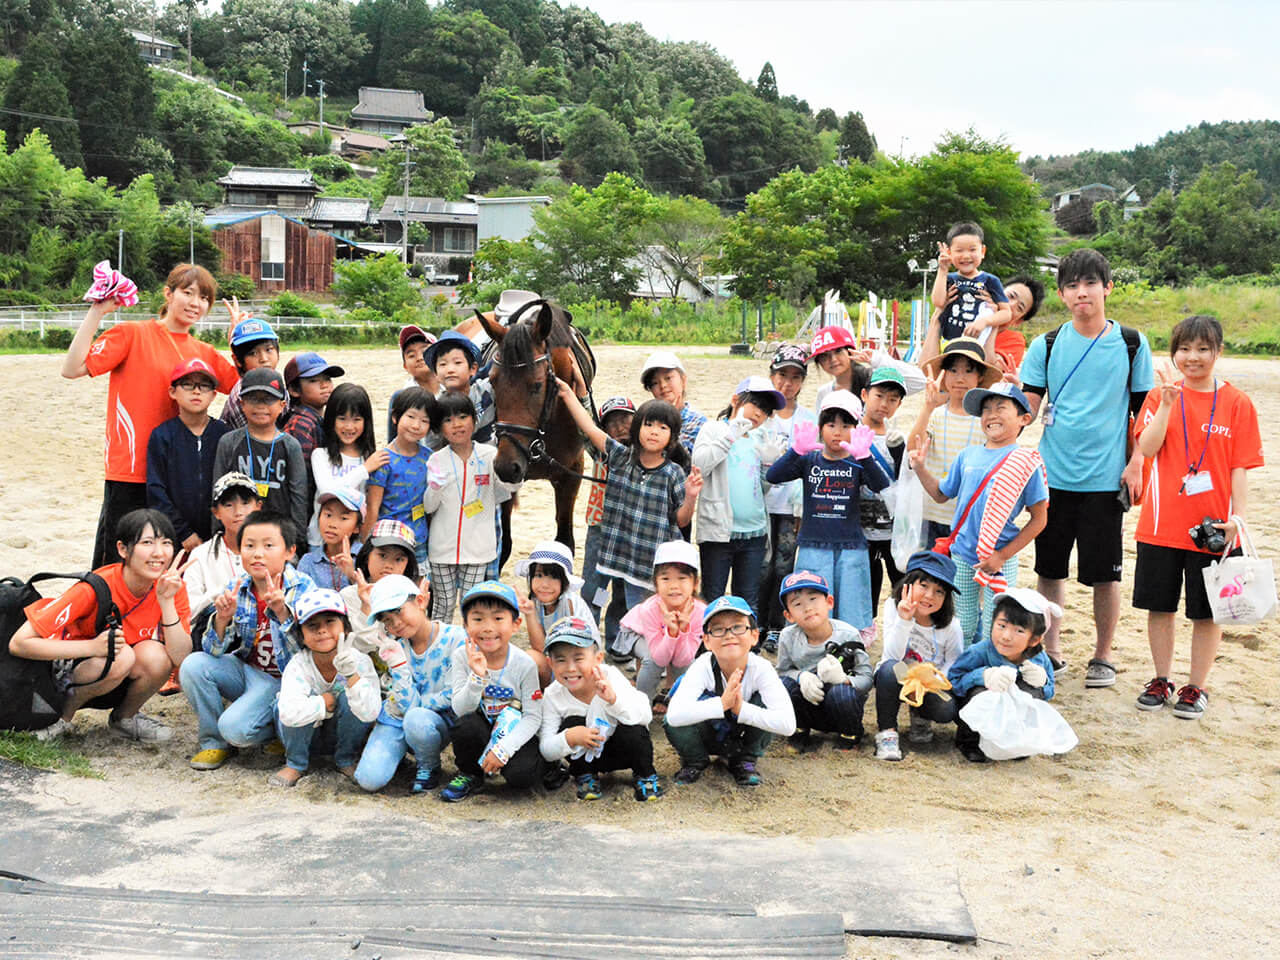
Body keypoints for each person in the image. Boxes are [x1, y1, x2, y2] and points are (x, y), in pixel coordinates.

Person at [1018, 249, 1154, 683]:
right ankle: (1051, 648)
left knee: (1104, 575)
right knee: (1049, 570)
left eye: (1090, 283)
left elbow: (1143, 414)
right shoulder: (1047, 344)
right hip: (1052, 477)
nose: (1082, 293)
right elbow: (1029, 408)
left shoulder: (1132, 343)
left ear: (1107, 287)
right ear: (1061, 294)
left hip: (1105, 479)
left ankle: (1103, 654)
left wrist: (1136, 464)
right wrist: (1004, 401)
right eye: (1073, 285)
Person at [62, 263, 239, 568]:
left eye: (204, 297)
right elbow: (72, 369)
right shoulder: (132, 334)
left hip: (179, 475)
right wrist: (97, 312)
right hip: (131, 470)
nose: (196, 303)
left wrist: (237, 342)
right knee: (116, 564)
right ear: (168, 294)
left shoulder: (204, 351)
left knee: (169, 563)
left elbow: (244, 391)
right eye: (188, 292)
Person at [1132, 315, 1263, 719]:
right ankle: (1161, 678)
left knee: (1208, 611)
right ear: (1174, 353)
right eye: (1184, 349)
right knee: (1160, 606)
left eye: (1203, 349)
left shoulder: (1237, 403)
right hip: (1160, 523)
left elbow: (1241, 466)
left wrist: (1238, 519)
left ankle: (1196, 686)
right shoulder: (1161, 396)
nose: (1193, 357)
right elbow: (1148, 447)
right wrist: (1168, 404)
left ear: (1218, 352)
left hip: (1214, 529)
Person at [10, 509, 193, 742]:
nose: (159, 553)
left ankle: (124, 718)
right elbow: (19, 643)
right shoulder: (95, 588)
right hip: (66, 675)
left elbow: (180, 657)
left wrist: (166, 602)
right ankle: (61, 719)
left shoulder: (171, 587)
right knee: (122, 655)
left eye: (166, 543)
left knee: (157, 656)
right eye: (147, 542)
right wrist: (92, 648)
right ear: (122, 549)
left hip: (115, 674)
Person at [910, 382, 1049, 645]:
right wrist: (919, 467)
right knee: (962, 620)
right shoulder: (968, 455)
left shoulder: (1025, 461)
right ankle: (963, 670)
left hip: (1001, 557)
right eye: (986, 409)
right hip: (963, 553)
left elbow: (1039, 518)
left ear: (1024, 418)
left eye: (1000, 407)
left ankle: (989, 673)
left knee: (996, 622)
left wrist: (1001, 555)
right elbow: (941, 494)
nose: (991, 415)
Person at [179, 511, 316, 771]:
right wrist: (222, 619)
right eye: (249, 546)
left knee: (236, 728)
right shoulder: (238, 586)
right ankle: (214, 743)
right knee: (194, 665)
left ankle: (276, 729)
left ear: (289, 551)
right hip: (250, 672)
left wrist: (283, 613)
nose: (257, 554)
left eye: (268, 545)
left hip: (288, 681)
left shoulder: (304, 588)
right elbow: (213, 650)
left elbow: (313, 649)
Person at [557, 384, 702, 609]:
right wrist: (568, 394)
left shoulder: (673, 472)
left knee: (635, 609)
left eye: (663, 427)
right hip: (614, 549)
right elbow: (589, 428)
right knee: (594, 595)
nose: (654, 431)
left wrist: (692, 496)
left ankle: (620, 642)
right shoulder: (620, 456)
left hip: (646, 561)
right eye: (649, 425)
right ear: (639, 429)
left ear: (672, 436)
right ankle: (593, 638)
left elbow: (681, 520)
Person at [765, 390, 891, 630]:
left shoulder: (857, 460)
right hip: (814, 544)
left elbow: (880, 485)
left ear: (856, 428)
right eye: (830, 424)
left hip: (850, 545)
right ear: (820, 427)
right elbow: (774, 475)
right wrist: (796, 451)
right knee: (814, 605)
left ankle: (851, 649)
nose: (837, 431)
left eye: (846, 425)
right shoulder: (809, 460)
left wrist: (865, 457)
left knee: (851, 606)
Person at [663, 595, 796, 787]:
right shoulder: (702, 666)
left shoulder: (762, 668)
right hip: (710, 732)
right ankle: (695, 760)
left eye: (738, 627)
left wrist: (741, 709)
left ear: (754, 636)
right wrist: (722, 704)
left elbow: (788, 724)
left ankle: (745, 760)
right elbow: (674, 716)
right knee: (673, 720)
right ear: (706, 641)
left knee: (764, 702)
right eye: (718, 629)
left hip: (744, 733)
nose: (729, 634)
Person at [354, 574, 466, 793]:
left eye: (398, 611)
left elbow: (454, 693)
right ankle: (401, 756)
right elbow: (403, 703)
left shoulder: (456, 638)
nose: (395, 623)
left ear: (421, 601)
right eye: (386, 619)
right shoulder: (394, 647)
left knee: (416, 720)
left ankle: (429, 766)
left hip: (435, 721)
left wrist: (418, 705)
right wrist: (397, 665)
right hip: (399, 715)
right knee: (368, 779)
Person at [692, 375, 787, 620]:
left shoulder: (758, 439)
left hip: (754, 533)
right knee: (713, 596)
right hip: (719, 533)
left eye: (765, 410)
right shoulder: (713, 429)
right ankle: (710, 651)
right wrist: (729, 435)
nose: (760, 413)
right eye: (756, 404)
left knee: (748, 598)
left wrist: (768, 466)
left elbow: (760, 489)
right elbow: (700, 466)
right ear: (736, 400)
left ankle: (748, 651)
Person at [441, 581, 544, 802]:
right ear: (466, 626)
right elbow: (460, 709)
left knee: (521, 776)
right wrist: (477, 678)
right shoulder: (462, 656)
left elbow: (533, 717)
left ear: (516, 624)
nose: (488, 627)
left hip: (514, 730)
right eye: (478, 619)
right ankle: (470, 773)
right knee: (465, 726)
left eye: (498, 619)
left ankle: (549, 768)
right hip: (481, 726)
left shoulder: (524, 664)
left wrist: (503, 749)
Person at [539, 616, 661, 802]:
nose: (570, 668)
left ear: (598, 659)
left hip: (621, 750)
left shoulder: (611, 677)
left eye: (579, 658)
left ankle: (645, 774)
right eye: (561, 660)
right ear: (550, 663)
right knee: (572, 722)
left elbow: (644, 716)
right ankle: (585, 775)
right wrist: (570, 737)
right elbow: (546, 748)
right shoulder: (553, 694)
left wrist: (614, 700)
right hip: (586, 755)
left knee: (635, 728)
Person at [423, 393, 518, 621]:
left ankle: (471, 651)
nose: (456, 425)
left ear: (474, 420)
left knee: (471, 606)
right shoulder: (436, 459)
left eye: (463, 417)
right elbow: (428, 506)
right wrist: (434, 486)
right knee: (442, 606)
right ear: (439, 428)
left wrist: (513, 475)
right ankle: (440, 651)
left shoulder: (490, 455)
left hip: (478, 549)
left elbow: (505, 491)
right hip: (441, 550)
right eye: (448, 420)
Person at [272, 589, 379, 787]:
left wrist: (351, 676)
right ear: (301, 636)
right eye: (312, 626)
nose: (322, 630)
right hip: (303, 736)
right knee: (282, 704)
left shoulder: (360, 661)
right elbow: (287, 714)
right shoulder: (298, 664)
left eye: (330, 622)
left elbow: (371, 712)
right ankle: (296, 763)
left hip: (338, 734)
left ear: (345, 628)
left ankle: (345, 758)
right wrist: (322, 702)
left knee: (353, 694)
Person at [872, 551, 964, 761]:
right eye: (923, 585)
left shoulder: (951, 626)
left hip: (930, 681)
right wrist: (905, 619)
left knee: (946, 709)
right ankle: (888, 733)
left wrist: (935, 680)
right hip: (900, 673)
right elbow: (891, 655)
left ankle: (921, 717)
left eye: (939, 591)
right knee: (888, 670)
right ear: (908, 584)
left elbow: (954, 662)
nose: (930, 596)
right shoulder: (893, 608)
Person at [948, 588, 1058, 763]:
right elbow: (953, 680)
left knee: (1032, 693)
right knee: (980, 693)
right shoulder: (979, 652)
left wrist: (1043, 682)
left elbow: (1050, 690)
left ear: (1034, 639)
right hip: (981, 710)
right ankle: (969, 742)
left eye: (1019, 631)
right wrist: (982, 676)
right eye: (1002, 626)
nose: (1006, 636)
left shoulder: (1039, 658)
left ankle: (1018, 741)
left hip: (1012, 716)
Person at [910, 339, 1003, 543]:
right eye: (953, 370)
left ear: (979, 377)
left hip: (970, 514)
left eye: (968, 371)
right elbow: (912, 448)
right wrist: (927, 407)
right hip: (932, 513)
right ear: (943, 376)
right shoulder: (934, 415)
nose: (960, 378)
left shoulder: (984, 420)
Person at [759, 345, 818, 651]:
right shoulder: (760, 414)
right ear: (772, 375)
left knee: (783, 567)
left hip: (790, 507)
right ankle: (753, 622)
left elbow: (811, 465)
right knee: (760, 566)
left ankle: (774, 625)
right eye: (782, 375)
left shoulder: (809, 419)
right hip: (760, 505)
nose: (788, 383)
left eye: (796, 377)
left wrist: (801, 508)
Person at [211, 367, 309, 551]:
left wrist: (296, 541)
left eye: (269, 399)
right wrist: (218, 535)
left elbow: (299, 497)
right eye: (253, 399)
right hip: (237, 537)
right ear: (241, 403)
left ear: (282, 405)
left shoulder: (290, 446)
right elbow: (217, 491)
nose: (261, 406)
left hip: (277, 538)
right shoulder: (229, 442)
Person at [775, 570, 872, 750]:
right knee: (784, 685)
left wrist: (843, 679)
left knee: (842, 693)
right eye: (797, 604)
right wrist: (801, 676)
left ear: (829, 602)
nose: (808, 608)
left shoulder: (848, 634)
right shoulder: (787, 636)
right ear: (788, 615)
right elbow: (782, 672)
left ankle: (849, 735)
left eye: (813, 599)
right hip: (807, 702)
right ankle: (799, 730)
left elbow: (867, 678)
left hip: (841, 705)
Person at [146, 358, 231, 555]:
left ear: (214, 395)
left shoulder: (224, 434)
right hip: (174, 538)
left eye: (204, 386)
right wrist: (183, 532)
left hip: (218, 535)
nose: (196, 391)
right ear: (172, 392)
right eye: (187, 385)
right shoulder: (163, 435)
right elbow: (156, 490)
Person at [614, 539, 706, 706]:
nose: (674, 586)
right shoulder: (650, 609)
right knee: (651, 661)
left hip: (667, 638)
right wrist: (672, 632)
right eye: (665, 578)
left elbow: (682, 660)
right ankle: (642, 709)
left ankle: (676, 705)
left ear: (695, 583)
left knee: (687, 664)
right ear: (655, 583)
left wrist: (682, 630)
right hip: (635, 632)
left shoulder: (700, 612)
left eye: (682, 578)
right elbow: (660, 659)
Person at [579, 397, 636, 656]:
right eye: (612, 422)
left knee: (623, 591)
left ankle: (616, 641)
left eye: (625, 418)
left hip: (630, 532)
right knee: (595, 587)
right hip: (601, 528)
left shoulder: (644, 452)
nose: (620, 426)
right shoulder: (602, 450)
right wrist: (579, 389)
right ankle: (588, 638)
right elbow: (584, 423)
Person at [362, 387, 436, 568]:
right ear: (395, 417)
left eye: (424, 420)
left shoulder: (430, 458)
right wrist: (365, 546)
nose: (416, 425)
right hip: (389, 542)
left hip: (419, 541)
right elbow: (373, 507)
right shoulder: (384, 460)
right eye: (410, 417)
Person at [859, 367, 909, 633]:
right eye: (879, 396)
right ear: (865, 395)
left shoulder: (898, 435)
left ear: (900, 403)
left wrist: (900, 451)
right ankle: (867, 628)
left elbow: (907, 478)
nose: (884, 404)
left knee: (901, 582)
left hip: (894, 529)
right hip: (861, 526)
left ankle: (901, 629)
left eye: (892, 399)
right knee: (867, 580)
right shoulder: (853, 431)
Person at [307, 383, 383, 549]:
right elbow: (328, 490)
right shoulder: (321, 455)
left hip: (354, 542)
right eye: (342, 419)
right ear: (331, 420)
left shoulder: (369, 459)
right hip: (319, 541)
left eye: (356, 419)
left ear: (366, 422)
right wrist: (364, 469)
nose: (349, 427)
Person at [514, 540, 593, 687]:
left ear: (565, 581)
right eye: (538, 575)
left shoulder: (570, 604)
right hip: (557, 662)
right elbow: (539, 648)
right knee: (530, 658)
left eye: (553, 577)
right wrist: (529, 613)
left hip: (579, 667)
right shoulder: (537, 601)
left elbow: (579, 652)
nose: (544, 584)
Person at [183, 472, 261, 618]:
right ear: (216, 512)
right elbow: (188, 611)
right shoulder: (200, 555)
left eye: (245, 503)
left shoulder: (272, 550)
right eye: (228, 505)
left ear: (258, 506)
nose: (238, 512)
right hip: (213, 634)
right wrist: (218, 596)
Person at [340, 520, 423, 655]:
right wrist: (366, 607)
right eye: (383, 555)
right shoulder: (348, 596)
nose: (389, 565)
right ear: (367, 556)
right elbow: (363, 646)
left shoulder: (412, 598)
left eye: (399, 559)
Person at [930, 221, 1011, 343]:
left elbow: (1006, 313)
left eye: (972, 250)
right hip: (948, 343)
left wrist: (984, 321)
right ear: (950, 253)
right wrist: (942, 270)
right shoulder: (948, 278)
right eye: (959, 250)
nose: (966, 256)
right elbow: (938, 302)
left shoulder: (990, 280)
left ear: (982, 251)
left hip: (977, 345)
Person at [424, 329, 494, 444]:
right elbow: (433, 448)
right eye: (443, 364)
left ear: (473, 369)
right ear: (435, 374)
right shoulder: (435, 408)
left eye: (457, 363)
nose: (450, 370)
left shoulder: (487, 391)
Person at [282, 351, 344, 479]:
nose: (324, 385)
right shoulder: (300, 426)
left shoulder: (318, 420)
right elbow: (301, 477)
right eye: (313, 380)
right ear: (294, 390)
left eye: (327, 379)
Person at [220, 317, 286, 430]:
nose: (264, 359)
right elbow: (258, 441)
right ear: (237, 360)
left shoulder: (275, 381)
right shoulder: (242, 397)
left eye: (269, 350)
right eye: (253, 353)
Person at [295, 489, 363, 592]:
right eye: (328, 515)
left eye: (343, 518)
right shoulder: (308, 562)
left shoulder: (365, 557)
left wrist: (352, 576)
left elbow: (374, 598)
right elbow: (298, 598)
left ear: (357, 527)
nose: (332, 524)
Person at [640, 351, 706, 453]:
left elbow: (685, 459)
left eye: (668, 378)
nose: (663, 385)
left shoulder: (697, 422)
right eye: (655, 383)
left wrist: (671, 419)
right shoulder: (645, 421)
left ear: (683, 380)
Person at [385, 324, 439, 442]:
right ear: (405, 366)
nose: (419, 358)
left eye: (425, 351)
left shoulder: (452, 389)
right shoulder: (400, 398)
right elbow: (393, 441)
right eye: (411, 355)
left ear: (438, 355)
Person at [987, 275, 1046, 380]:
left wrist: (993, 323)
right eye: (1011, 296)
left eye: (1019, 307)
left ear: (1019, 321)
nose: (1010, 304)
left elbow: (990, 369)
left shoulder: (1015, 341)